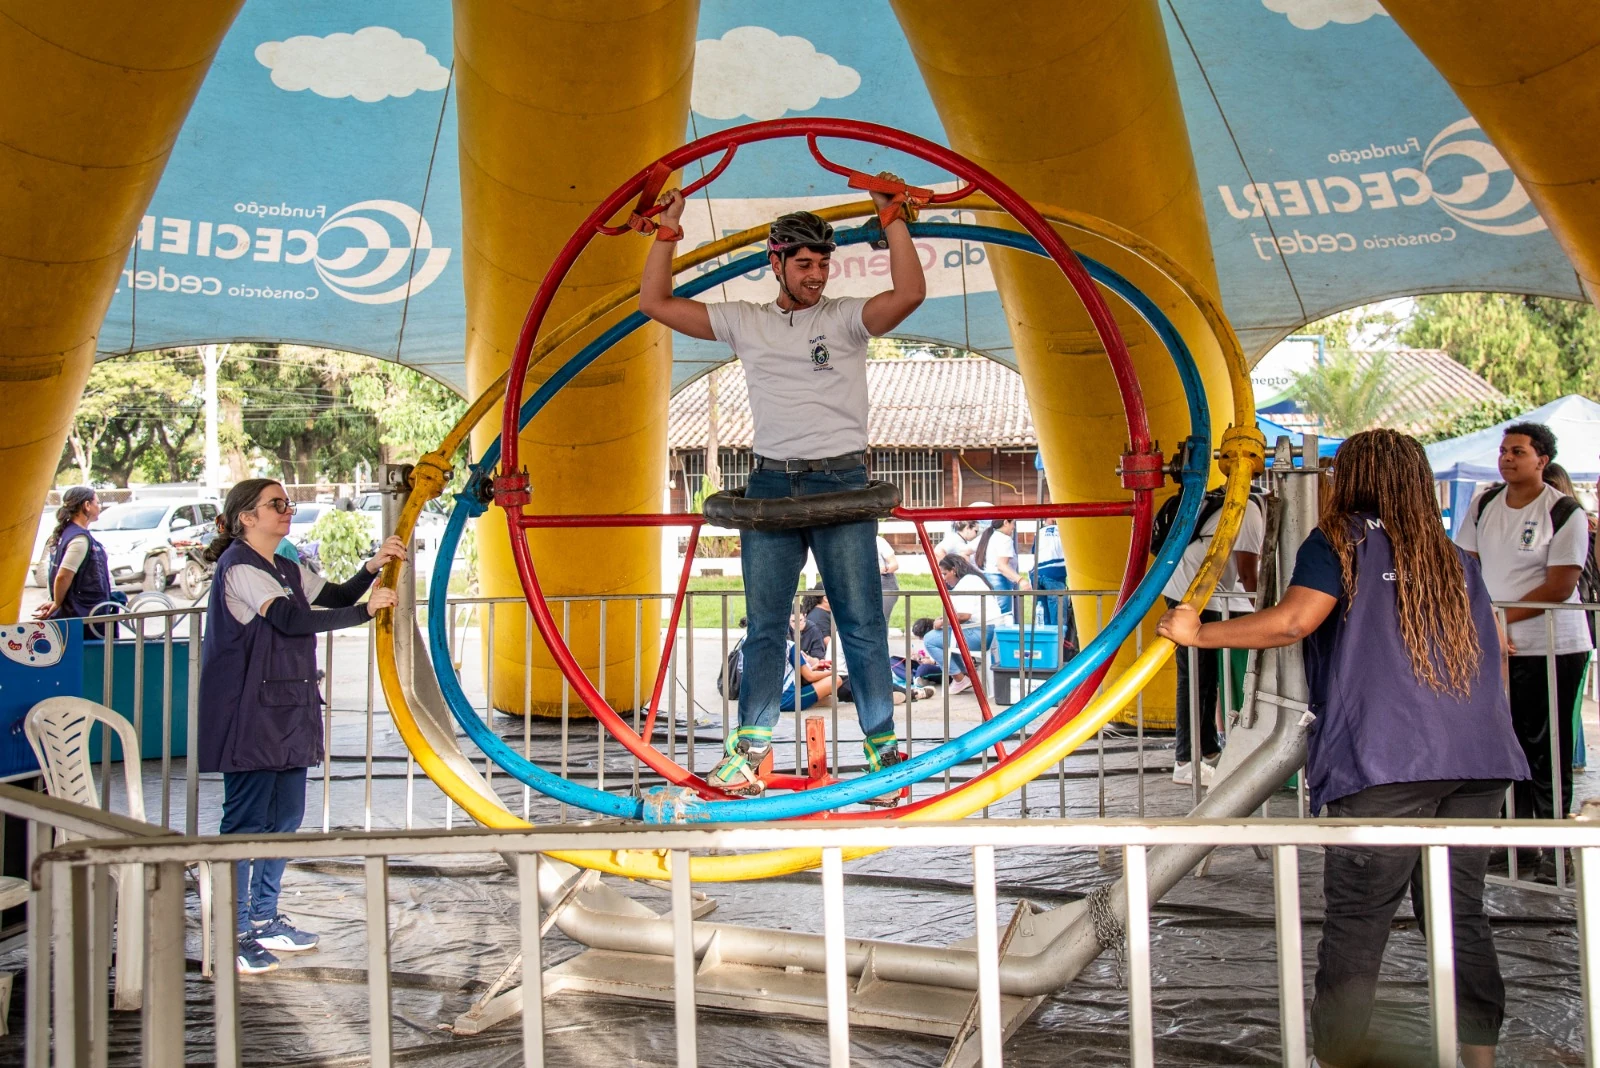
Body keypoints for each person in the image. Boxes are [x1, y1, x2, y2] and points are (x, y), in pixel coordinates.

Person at [1157, 429, 1528, 1068]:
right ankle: (1480, 1059)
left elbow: (1296, 620)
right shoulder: (1451, 554)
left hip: (1387, 758)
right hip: (1477, 757)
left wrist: (1199, 633)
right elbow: (1497, 652)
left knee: (1360, 919)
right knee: (1459, 912)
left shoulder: (1343, 540)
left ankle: (1338, 1057)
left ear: (1348, 476)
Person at [638, 178, 926, 795]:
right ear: (775, 261)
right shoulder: (746, 322)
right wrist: (668, 229)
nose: (816, 274)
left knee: (863, 623)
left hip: (843, 483)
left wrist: (893, 219)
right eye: (803, 264)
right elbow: (655, 302)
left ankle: (884, 756)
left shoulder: (845, 318)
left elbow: (909, 293)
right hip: (772, 484)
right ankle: (747, 758)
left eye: (822, 263)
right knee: (766, 626)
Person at [198, 478, 405, 974]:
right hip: (248, 712)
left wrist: (370, 570)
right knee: (246, 822)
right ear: (247, 517)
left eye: (287, 503)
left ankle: (264, 917)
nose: (286, 510)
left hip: (287, 708)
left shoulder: (286, 565)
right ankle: (233, 930)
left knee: (285, 818)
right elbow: (290, 621)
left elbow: (329, 595)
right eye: (277, 504)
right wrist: (365, 611)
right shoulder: (239, 568)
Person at [1454, 423, 1591, 850]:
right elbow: (1466, 568)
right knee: (1503, 744)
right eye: (1503, 451)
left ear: (1542, 461)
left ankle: (1553, 848)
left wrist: (1501, 620)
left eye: (1518, 451)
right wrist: (1482, 622)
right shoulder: (1484, 503)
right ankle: (1516, 845)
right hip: (1494, 646)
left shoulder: (1565, 511)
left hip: (1551, 646)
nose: (1507, 458)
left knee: (1546, 748)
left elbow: (1560, 585)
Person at [1160, 490, 1265, 786]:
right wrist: (1271, 616)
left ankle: (1206, 749)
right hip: (1193, 593)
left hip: (1200, 591)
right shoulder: (1253, 514)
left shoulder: (1244, 507)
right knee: (1195, 677)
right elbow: (1248, 575)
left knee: (1207, 679)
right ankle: (1185, 761)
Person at [35, 486, 122, 630]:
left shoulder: (67, 534)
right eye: (97, 503)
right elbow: (62, 576)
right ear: (87, 506)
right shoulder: (79, 539)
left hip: (83, 613)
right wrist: (57, 603)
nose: (99, 507)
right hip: (84, 617)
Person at [921, 553, 996, 694]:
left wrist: (941, 623)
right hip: (987, 630)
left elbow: (963, 615)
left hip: (980, 633)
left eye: (944, 574)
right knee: (945, 639)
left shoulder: (966, 583)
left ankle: (960, 679)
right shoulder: (973, 579)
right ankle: (964, 676)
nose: (944, 579)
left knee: (930, 639)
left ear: (954, 570)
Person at [974, 518, 1029, 622]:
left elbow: (966, 550)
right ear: (1005, 522)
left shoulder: (988, 537)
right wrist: (1020, 580)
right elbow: (1002, 566)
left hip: (986, 578)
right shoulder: (1005, 539)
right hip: (1000, 580)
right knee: (1002, 617)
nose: (1014, 527)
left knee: (991, 616)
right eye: (1013, 523)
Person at [875, 532, 900, 621]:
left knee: (881, 619)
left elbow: (894, 564)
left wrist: (883, 569)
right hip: (864, 584)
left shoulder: (879, 541)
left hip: (885, 582)